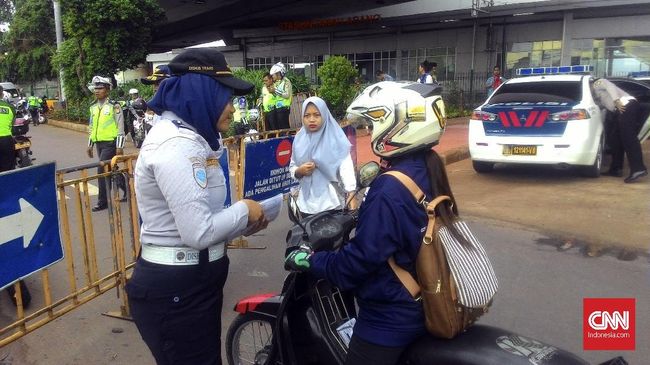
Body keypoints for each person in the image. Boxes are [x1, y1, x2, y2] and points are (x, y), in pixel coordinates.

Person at [285, 82, 457, 365]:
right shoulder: (427, 165)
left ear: (399, 125)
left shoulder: (389, 189)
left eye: (375, 123)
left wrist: (314, 261)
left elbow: (357, 264)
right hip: (425, 294)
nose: (370, 131)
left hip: (391, 315)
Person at [126, 48, 268, 365]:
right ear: (202, 93)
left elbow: (206, 214)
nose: (232, 108)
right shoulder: (177, 145)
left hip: (192, 284)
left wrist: (250, 215)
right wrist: (245, 210)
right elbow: (199, 231)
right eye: (226, 97)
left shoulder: (194, 139)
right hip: (178, 292)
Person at [289, 96, 357, 216]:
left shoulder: (335, 138)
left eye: (316, 115)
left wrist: (351, 192)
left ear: (324, 115)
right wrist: (299, 171)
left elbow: (345, 167)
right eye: (307, 115)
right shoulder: (300, 139)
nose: (311, 119)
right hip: (306, 205)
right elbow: (293, 166)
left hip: (332, 204)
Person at [592, 78, 648, 183]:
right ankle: (616, 169)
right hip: (619, 110)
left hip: (625, 105)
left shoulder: (597, 83)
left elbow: (610, 87)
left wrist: (616, 100)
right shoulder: (594, 94)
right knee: (615, 138)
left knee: (628, 137)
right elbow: (602, 106)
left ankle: (638, 169)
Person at [86, 76, 127, 211]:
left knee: (102, 169)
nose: (97, 91)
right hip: (99, 143)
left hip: (111, 143)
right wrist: (90, 144)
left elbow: (120, 126)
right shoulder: (93, 107)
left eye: (101, 88)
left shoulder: (114, 106)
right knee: (111, 169)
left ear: (107, 90)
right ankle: (127, 189)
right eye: (96, 88)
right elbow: (92, 127)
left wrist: (119, 146)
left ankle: (102, 201)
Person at [268, 62, 292, 130]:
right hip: (278, 108)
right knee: (280, 129)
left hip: (284, 108)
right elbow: (277, 96)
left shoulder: (286, 81)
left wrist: (275, 90)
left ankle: (287, 140)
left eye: (273, 75)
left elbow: (287, 95)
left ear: (278, 73)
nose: (272, 77)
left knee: (284, 128)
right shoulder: (278, 83)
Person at [0, 85, 16, 172]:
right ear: (2, 94)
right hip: (6, 140)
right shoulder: (10, 107)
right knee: (8, 169)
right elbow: (12, 123)